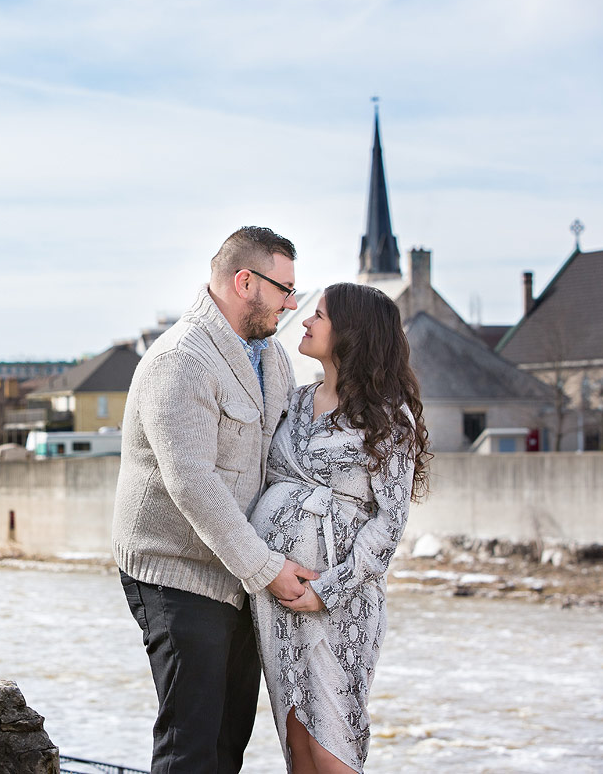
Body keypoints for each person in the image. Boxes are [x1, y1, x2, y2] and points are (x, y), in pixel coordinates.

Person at [113, 226, 321, 773]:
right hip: (175, 570)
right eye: (284, 288)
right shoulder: (180, 360)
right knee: (192, 744)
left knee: (230, 741)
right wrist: (267, 569)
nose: (292, 303)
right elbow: (193, 484)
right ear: (244, 281)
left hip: (240, 574)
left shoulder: (271, 356)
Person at [248, 282, 431, 774]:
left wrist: (328, 591)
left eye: (320, 315)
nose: (305, 321)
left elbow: (389, 523)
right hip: (276, 595)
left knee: (335, 744)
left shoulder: (390, 417)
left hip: (339, 601)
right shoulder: (296, 401)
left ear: (351, 333)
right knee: (297, 741)